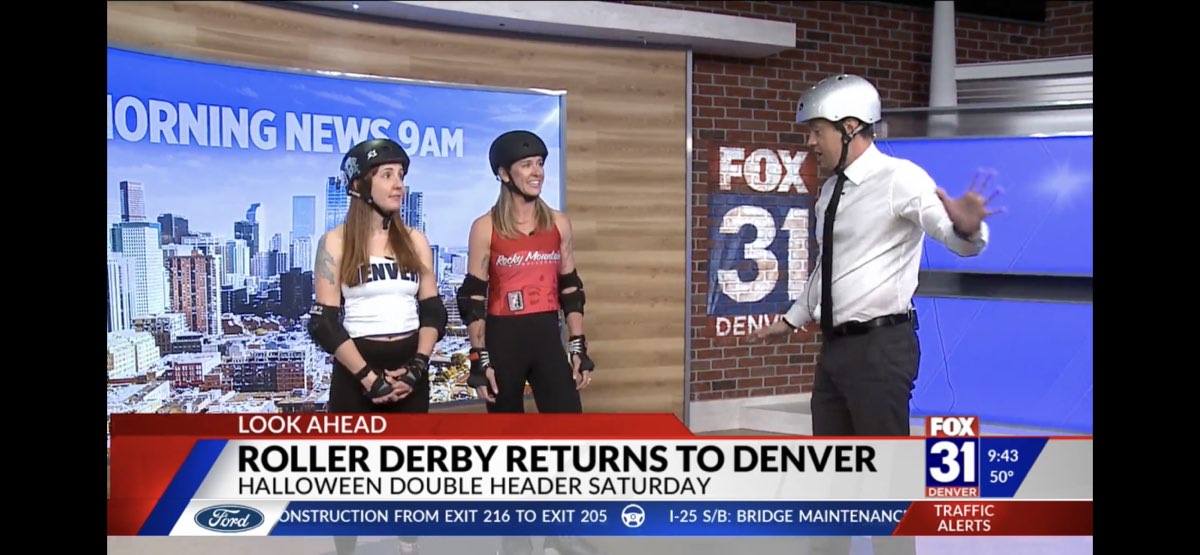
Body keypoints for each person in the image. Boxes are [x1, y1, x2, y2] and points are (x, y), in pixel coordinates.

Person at [748, 74, 1001, 555]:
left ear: (849, 127)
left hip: (882, 349)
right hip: (835, 350)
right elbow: (827, 268)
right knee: (831, 474)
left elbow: (953, 236)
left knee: (885, 477)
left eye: (816, 131)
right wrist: (791, 319)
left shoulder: (900, 178)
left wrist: (968, 230)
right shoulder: (830, 192)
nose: (809, 142)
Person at [455, 130, 601, 555]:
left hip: (546, 338)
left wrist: (578, 346)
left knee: (568, 435)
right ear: (504, 174)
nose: (537, 172)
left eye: (540, 163)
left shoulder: (558, 223)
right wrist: (479, 360)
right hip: (504, 339)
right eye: (526, 165)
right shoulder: (485, 228)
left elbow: (571, 288)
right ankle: (515, 537)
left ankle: (561, 531)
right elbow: (473, 299)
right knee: (509, 445)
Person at [307, 138, 447, 555]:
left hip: (409, 369)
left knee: (411, 475)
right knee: (348, 478)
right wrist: (369, 379)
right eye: (387, 175)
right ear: (359, 185)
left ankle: (408, 547)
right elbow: (324, 324)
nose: (398, 184)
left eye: (401, 175)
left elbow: (433, 312)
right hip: (357, 372)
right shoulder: (335, 242)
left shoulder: (415, 241)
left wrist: (417, 367)